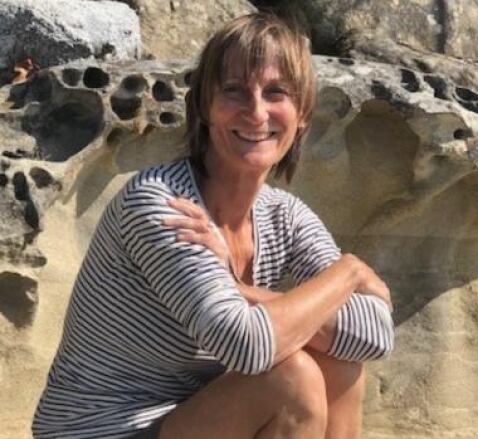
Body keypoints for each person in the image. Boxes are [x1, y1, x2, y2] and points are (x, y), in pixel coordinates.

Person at [33, 9, 394, 439]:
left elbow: (375, 334)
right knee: (291, 378)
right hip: (102, 430)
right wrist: (348, 272)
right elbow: (245, 346)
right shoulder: (163, 205)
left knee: (339, 364)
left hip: (188, 420)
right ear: (205, 107)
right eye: (235, 91)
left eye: (276, 92)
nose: (257, 113)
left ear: (302, 117)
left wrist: (240, 290)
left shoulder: (285, 216)